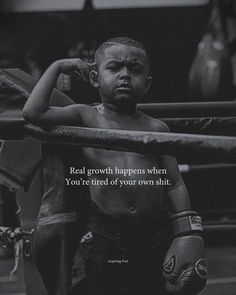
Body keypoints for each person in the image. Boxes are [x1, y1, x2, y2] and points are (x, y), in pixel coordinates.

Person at [23, 37, 207, 295]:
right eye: (115, 67)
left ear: (148, 84)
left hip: (154, 233)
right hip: (106, 234)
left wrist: (187, 232)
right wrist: (59, 66)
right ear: (96, 78)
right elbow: (32, 113)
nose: (125, 75)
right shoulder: (85, 116)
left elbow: (174, 182)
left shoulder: (157, 127)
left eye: (135, 69)